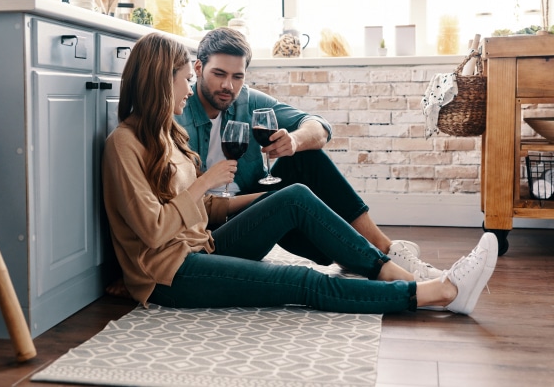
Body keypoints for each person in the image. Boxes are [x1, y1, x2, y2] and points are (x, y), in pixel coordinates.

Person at [101, 31, 498, 316]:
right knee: (300, 283)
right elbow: (153, 231)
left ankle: (392, 268)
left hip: (202, 247)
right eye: (186, 79)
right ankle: (436, 293)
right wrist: (206, 180)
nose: (189, 89)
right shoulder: (124, 143)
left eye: (190, 79)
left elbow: (203, 208)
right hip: (170, 274)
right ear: (160, 80)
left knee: (295, 195)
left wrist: (268, 201)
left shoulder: (168, 133)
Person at [175, 27, 440, 280]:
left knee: (305, 157)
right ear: (198, 68)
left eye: (237, 76)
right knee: (305, 213)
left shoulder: (247, 100)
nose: (228, 86)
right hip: (211, 231)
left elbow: (319, 126)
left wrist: (294, 140)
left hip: (252, 209)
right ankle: (369, 257)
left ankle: (383, 248)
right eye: (219, 74)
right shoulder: (177, 111)